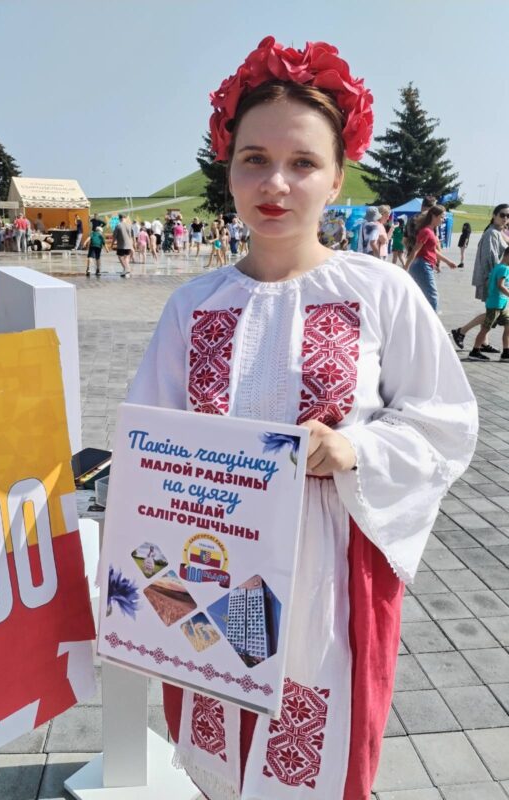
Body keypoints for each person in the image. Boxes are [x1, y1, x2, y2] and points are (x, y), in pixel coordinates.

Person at [125, 36, 477, 800]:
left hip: (327, 568)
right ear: (227, 168)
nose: (275, 183)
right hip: (210, 561)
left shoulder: (380, 291)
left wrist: (356, 450)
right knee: (221, 752)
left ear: (337, 177)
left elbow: (444, 419)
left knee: (312, 756)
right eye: (254, 158)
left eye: (303, 162)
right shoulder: (194, 306)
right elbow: (150, 438)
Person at [451, 204, 509, 352]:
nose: (505, 218)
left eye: (508, 216)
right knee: (493, 313)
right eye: (502, 215)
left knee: (492, 312)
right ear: (494, 215)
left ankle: (483, 342)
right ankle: (462, 331)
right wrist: (495, 280)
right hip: (491, 279)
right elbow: (490, 258)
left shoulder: (499, 232)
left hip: (495, 278)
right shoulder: (492, 233)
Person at [405, 205, 457, 310]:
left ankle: (422, 317)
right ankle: (432, 319)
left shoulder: (430, 231)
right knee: (433, 297)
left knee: (424, 296)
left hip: (424, 265)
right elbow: (415, 250)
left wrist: (448, 262)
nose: (443, 220)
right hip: (422, 265)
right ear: (434, 216)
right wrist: (405, 268)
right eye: (442, 217)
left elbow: (433, 250)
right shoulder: (426, 231)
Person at [467, 246, 509, 362]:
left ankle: (506, 353)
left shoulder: (497, 267)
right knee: (485, 329)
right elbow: (500, 286)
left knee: (508, 325)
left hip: (501, 304)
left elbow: (489, 283)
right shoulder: (504, 269)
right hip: (496, 304)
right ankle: (475, 352)